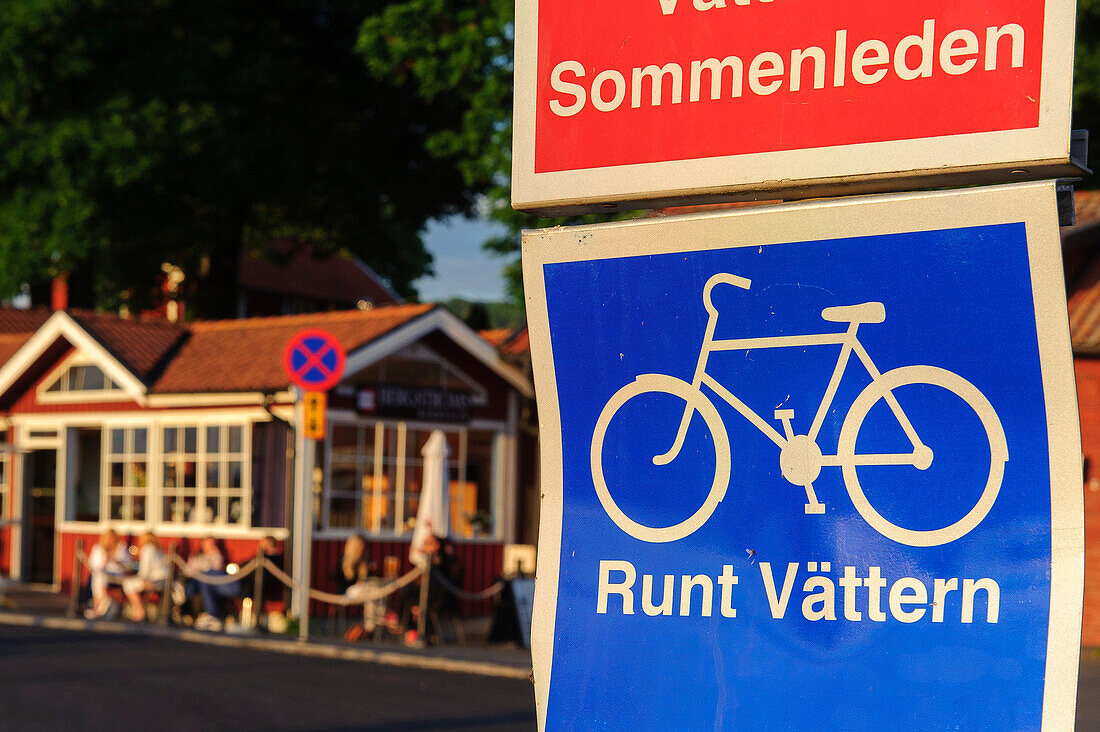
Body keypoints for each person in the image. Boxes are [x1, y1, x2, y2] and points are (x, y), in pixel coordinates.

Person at [179, 537, 240, 631]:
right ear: (203, 545)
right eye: (209, 543)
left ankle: (211, 615)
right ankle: (210, 615)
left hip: (211, 583)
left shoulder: (216, 555)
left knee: (206, 579)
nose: (211, 546)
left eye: (213, 543)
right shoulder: (196, 557)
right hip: (196, 582)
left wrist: (215, 554)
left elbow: (217, 569)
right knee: (201, 580)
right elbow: (187, 571)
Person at [121, 533, 168, 622]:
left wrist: (136, 576)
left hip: (153, 581)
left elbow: (144, 571)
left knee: (127, 584)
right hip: (163, 581)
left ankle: (140, 611)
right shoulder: (159, 549)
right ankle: (140, 611)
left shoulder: (147, 549)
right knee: (132, 583)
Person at [84, 528, 130, 619]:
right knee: (99, 576)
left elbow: (128, 566)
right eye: (108, 538)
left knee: (100, 577)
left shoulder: (121, 548)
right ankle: (100, 605)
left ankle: (98, 608)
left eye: (112, 538)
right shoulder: (98, 548)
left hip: (117, 576)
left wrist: (117, 562)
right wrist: (104, 561)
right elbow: (93, 566)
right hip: (103, 574)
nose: (110, 540)